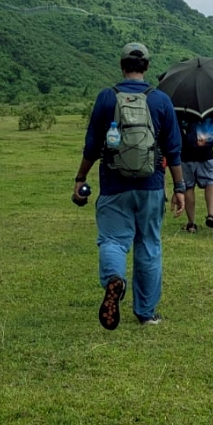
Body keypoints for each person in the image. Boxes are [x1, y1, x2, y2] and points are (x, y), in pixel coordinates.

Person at [73, 42, 183, 329]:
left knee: (112, 240)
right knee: (148, 245)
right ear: (146, 67)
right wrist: (180, 188)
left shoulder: (106, 98)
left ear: (121, 66)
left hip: (113, 185)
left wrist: (80, 178)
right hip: (152, 186)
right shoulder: (161, 100)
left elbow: (92, 145)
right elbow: (173, 149)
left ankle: (114, 279)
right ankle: (146, 313)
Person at [177, 107, 213, 234]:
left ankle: (191, 224)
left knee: (188, 187)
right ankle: (211, 215)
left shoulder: (179, 104)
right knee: (211, 182)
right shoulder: (212, 103)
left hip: (185, 153)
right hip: (206, 153)